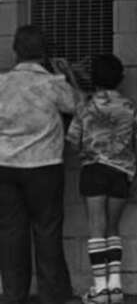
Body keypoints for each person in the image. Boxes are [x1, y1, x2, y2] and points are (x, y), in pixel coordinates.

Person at [0, 25, 79, 304]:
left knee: (10, 233)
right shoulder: (53, 84)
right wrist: (67, 74)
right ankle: (52, 295)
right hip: (44, 165)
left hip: (5, 165)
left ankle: (13, 294)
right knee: (47, 231)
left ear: (15, 49)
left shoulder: (1, 83)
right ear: (44, 53)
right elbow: (77, 107)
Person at [66, 54, 137, 304]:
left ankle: (100, 290)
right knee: (113, 229)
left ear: (94, 79)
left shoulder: (85, 107)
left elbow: (72, 141)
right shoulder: (130, 107)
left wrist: (85, 152)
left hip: (93, 171)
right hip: (122, 171)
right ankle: (115, 287)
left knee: (96, 230)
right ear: (120, 79)